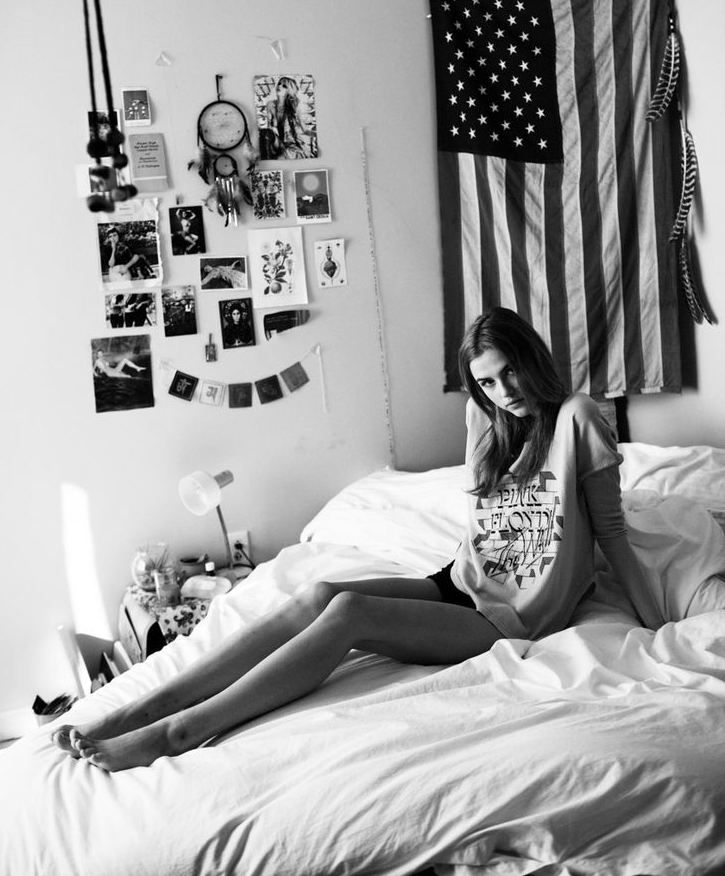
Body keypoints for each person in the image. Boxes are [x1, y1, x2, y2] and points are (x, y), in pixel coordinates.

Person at [55, 306, 662, 772]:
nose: (505, 392)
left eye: (510, 373)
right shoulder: (490, 420)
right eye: (488, 384)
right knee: (319, 590)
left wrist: (659, 624)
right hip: (458, 581)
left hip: (509, 617)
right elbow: (482, 523)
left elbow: (610, 532)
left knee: (349, 614)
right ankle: (144, 706)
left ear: (533, 359)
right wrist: (484, 416)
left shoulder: (579, 418)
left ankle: (178, 732)